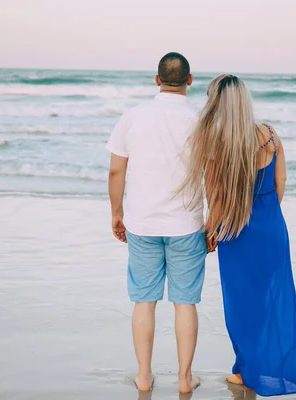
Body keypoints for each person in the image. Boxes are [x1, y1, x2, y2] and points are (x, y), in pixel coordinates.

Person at [180, 74, 296, 396]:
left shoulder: (214, 141)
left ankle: (245, 370)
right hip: (272, 227)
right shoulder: (271, 135)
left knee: (240, 304)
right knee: (267, 299)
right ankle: (262, 368)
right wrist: (266, 216)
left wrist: (212, 231)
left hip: (236, 231)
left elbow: (216, 196)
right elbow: (281, 182)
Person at [106, 52, 206, 394]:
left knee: (144, 300)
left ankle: (145, 376)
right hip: (187, 224)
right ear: (190, 80)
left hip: (142, 223)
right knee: (185, 302)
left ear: (157, 79)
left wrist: (116, 213)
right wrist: (215, 220)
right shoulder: (201, 120)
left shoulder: (133, 117)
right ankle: (183, 379)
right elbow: (215, 176)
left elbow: (117, 169)